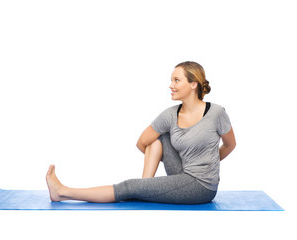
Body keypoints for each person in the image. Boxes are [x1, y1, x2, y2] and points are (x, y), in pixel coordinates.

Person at [46, 61, 236, 204]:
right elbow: (142, 142)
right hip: (182, 172)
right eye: (171, 80)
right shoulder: (170, 115)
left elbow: (230, 144)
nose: (171, 85)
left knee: (128, 187)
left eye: (177, 80)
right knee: (158, 138)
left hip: (201, 186)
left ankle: (62, 192)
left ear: (193, 84)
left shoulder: (216, 113)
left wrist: (209, 163)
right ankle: (145, 186)